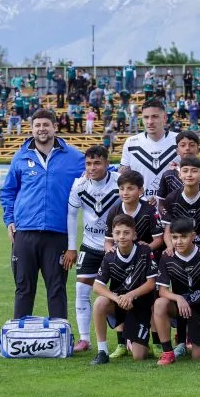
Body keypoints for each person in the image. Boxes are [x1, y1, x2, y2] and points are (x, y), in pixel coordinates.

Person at [0, 108, 85, 320]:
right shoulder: (21, 156)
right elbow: (8, 191)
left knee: (56, 288)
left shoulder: (74, 157)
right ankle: (19, 339)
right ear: (31, 129)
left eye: (46, 124)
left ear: (55, 127)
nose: (42, 129)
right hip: (25, 233)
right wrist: (9, 219)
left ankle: (60, 338)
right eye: (37, 125)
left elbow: (98, 171)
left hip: (57, 234)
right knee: (24, 287)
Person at [64, 145, 120, 352]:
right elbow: (71, 215)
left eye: (97, 163)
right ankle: (85, 339)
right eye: (88, 163)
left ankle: (127, 338)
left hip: (115, 247)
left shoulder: (118, 182)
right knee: (81, 289)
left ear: (107, 163)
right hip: (89, 245)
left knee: (121, 291)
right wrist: (71, 247)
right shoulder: (79, 185)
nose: (92, 167)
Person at [89, 215, 158, 365]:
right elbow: (97, 286)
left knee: (139, 356)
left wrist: (131, 295)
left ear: (134, 234)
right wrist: (117, 298)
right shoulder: (109, 257)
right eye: (118, 233)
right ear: (112, 235)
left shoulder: (144, 251)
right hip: (119, 303)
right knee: (100, 302)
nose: (122, 236)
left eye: (126, 232)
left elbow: (152, 282)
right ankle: (102, 351)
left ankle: (138, 340)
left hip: (140, 304)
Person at [153, 217, 200, 365]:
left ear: (193, 236)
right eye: (174, 237)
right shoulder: (167, 257)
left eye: (183, 237)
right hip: (179, 307)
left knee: (199, 355)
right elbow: (162, 290)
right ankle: (168, 352)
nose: (178, 241)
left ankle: (194, 340)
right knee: (160, 303)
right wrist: (178, 298)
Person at [157, 156, 200, 255]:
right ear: (179, 174)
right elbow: (167, 230)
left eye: (194, 171)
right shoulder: (171, 198)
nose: (189, 175)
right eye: (185, 171)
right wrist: (170, 247)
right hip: (179, 247)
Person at [118, 99, 178, 201]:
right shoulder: (131, 142)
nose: (150, 122)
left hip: (173, 206)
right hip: (141, 207)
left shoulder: (179, 141)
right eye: (146, 117)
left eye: (155, 116)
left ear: (164, 118)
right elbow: (122, 174)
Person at [157, 131, 200, 200]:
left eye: (192, 145)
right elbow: (161, 202)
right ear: (177, 150)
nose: (187, 148)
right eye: (183, 145)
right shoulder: (168, 175)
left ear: (198, 150)